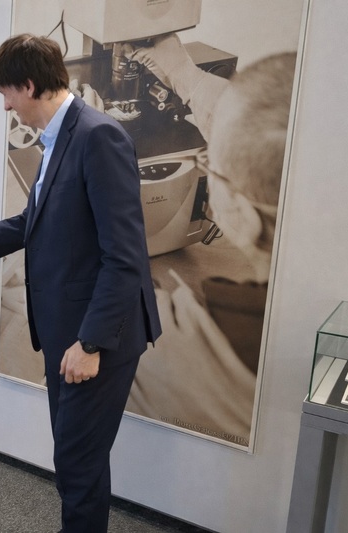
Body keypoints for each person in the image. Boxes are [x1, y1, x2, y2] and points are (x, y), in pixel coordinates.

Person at [0, 34, 162, 533]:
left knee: (78, 465)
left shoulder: (97, 137)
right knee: (76, 456)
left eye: (7, 93)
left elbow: (124, 257)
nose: (5, 106)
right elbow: (33, 221)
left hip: (96, 336)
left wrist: (91, 342)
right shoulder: (60, 139)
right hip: (69, 332)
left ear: (30, 85)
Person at [124, 34, 297, 443]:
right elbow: (272, 123)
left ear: (245, 216)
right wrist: (185, 75)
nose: (204, 164)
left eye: (210, 166)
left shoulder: (178, 349)